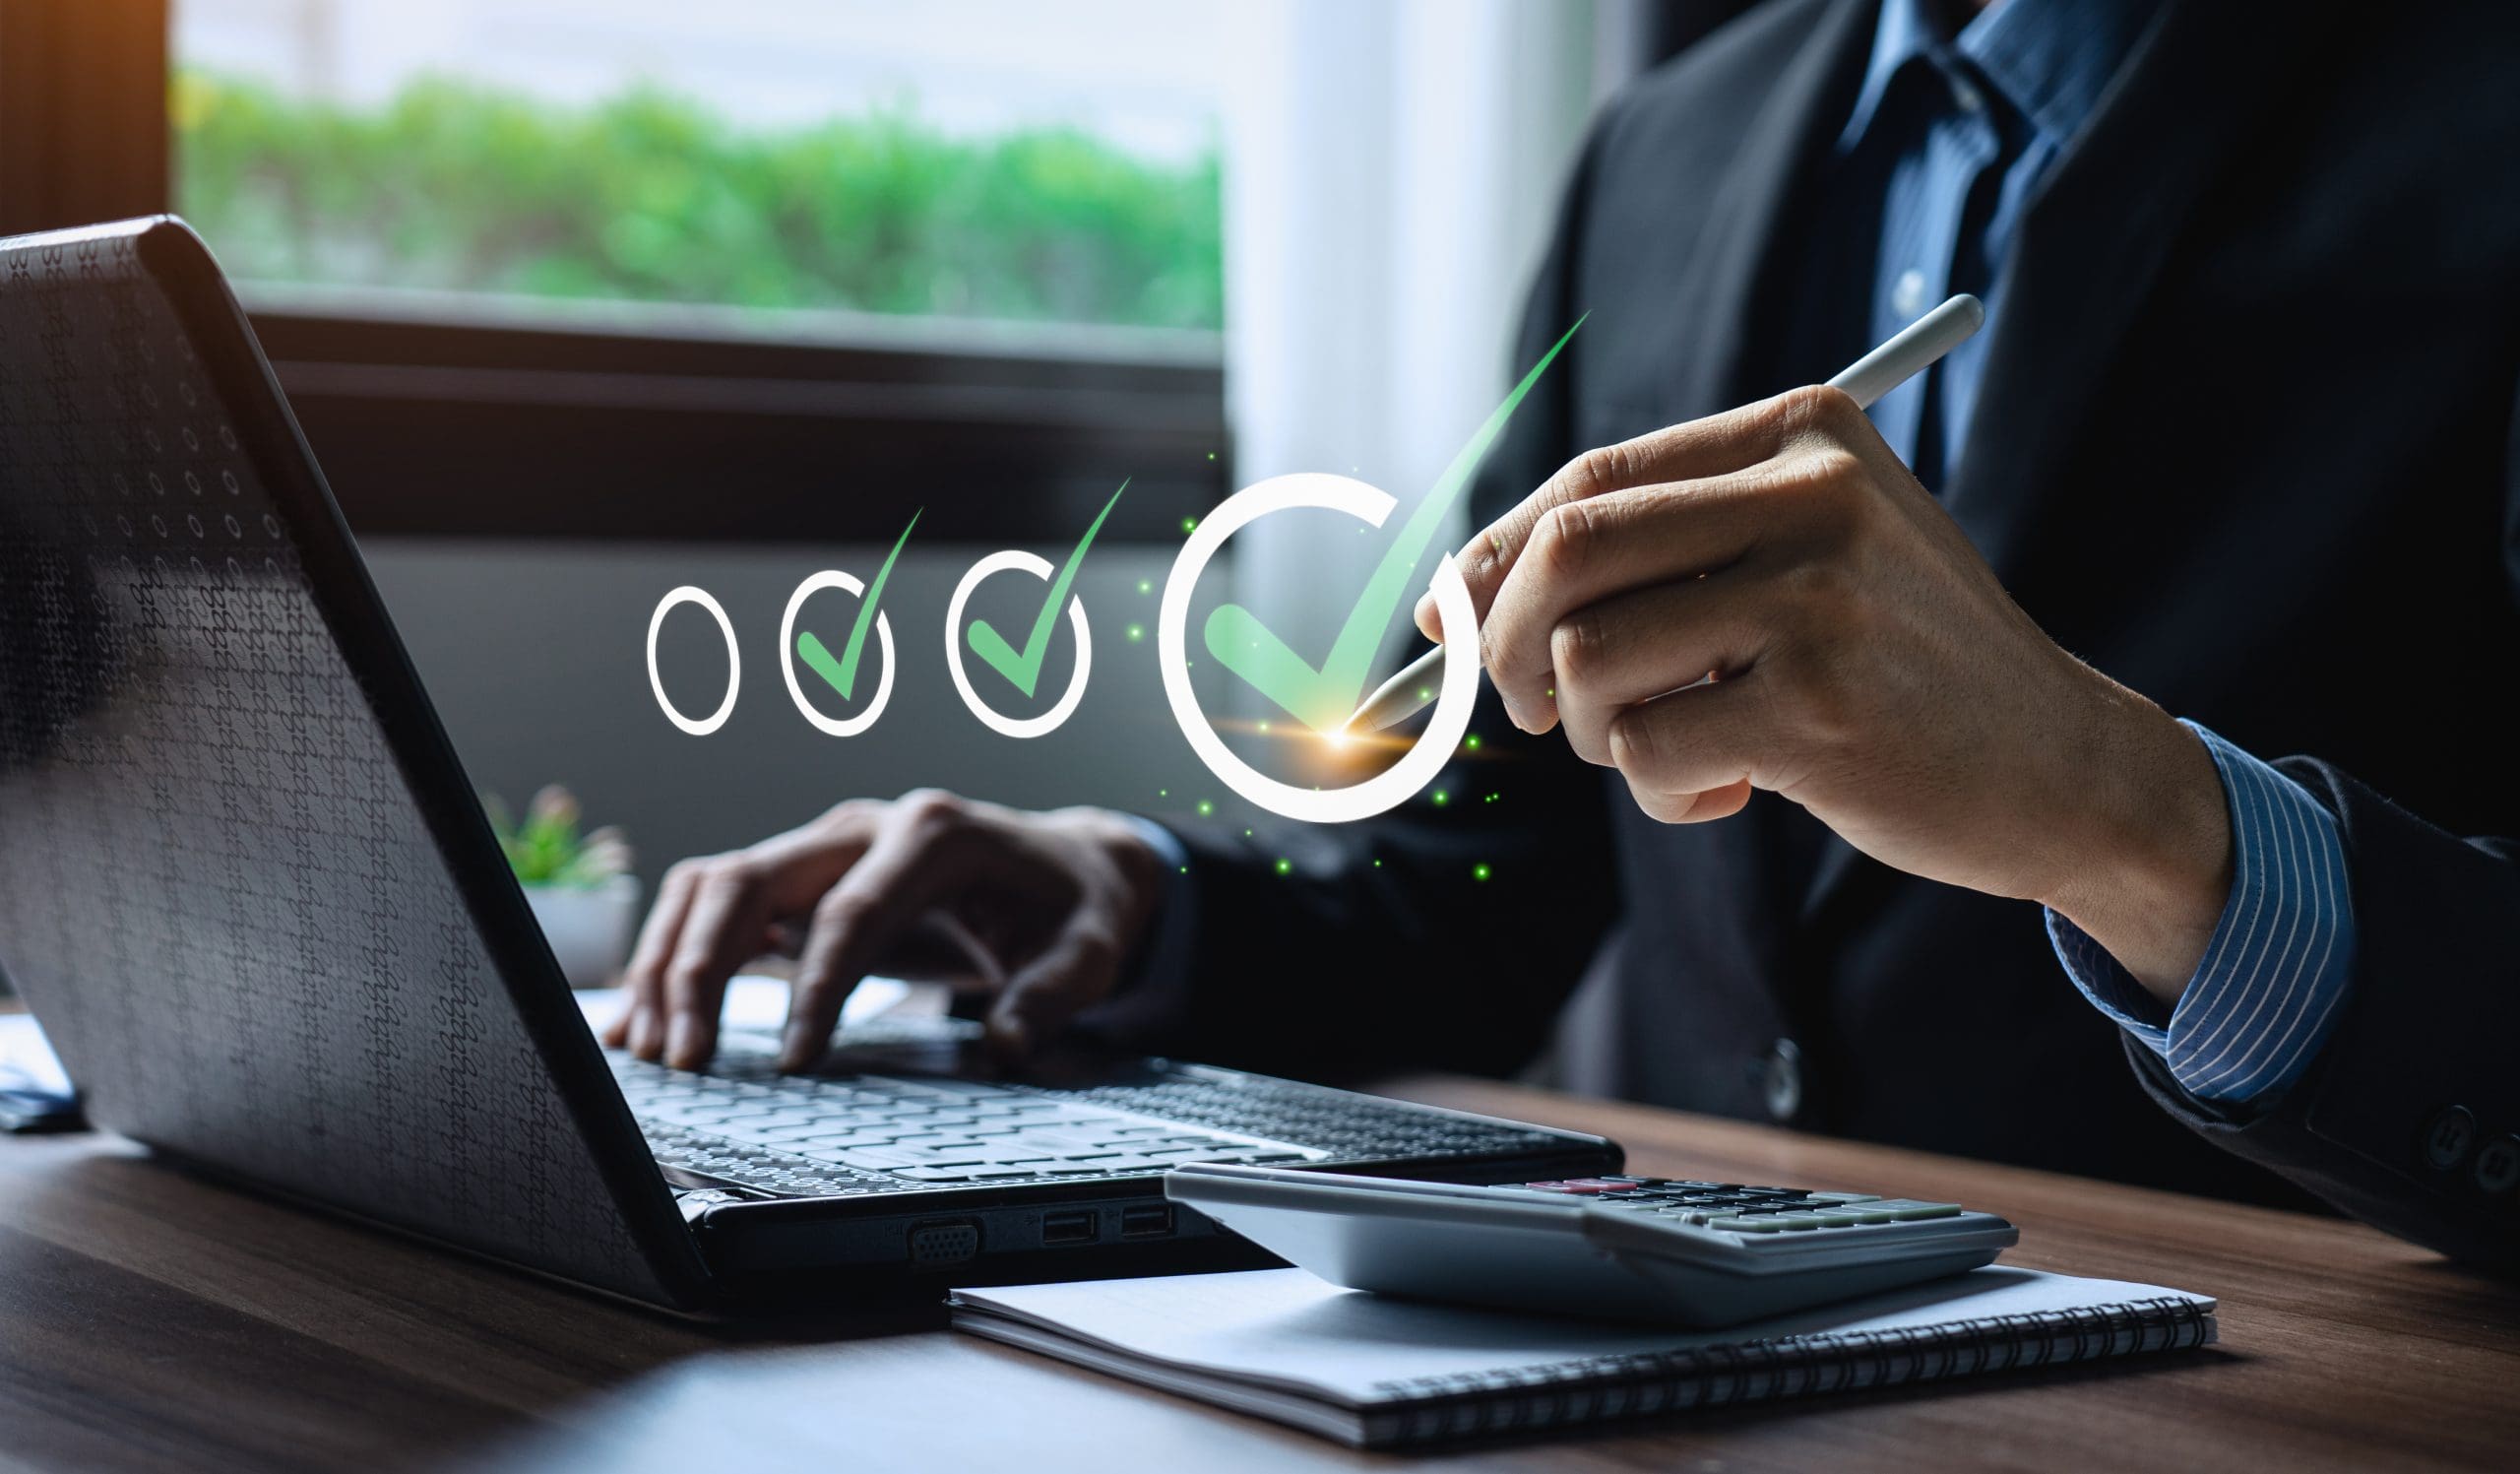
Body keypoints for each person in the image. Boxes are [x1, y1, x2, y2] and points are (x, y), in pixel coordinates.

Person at [605, 0, 2520, 1269]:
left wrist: (2128, 815)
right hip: (1669, 1381)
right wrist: (1129, 893)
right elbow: (1469, 888)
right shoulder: (1671, 145)